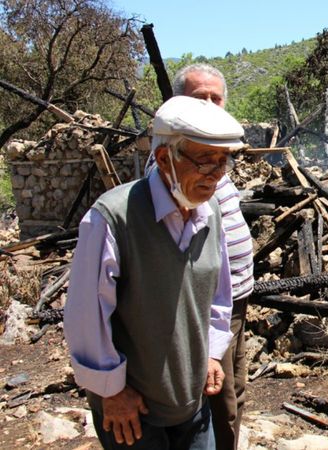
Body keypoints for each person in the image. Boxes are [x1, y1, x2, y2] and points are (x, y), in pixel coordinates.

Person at [64, 95, 244, 449]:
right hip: (133, 412)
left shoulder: (210, 212)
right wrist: (110, 391)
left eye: (223, 162)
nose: (216, 175)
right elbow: (86, 318)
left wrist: (211, 352)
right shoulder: (113, 217)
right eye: (205, 162)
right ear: (164, 159)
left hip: (192, 403)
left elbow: (218, 296)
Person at [168, 63, 255, 450]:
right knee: (218, 397)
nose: (207, 104)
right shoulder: (177, 163)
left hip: (235, 298)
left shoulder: (215, 154)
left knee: (234, 387)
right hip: (207, 304)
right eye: (197, 97)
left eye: (214, 98)